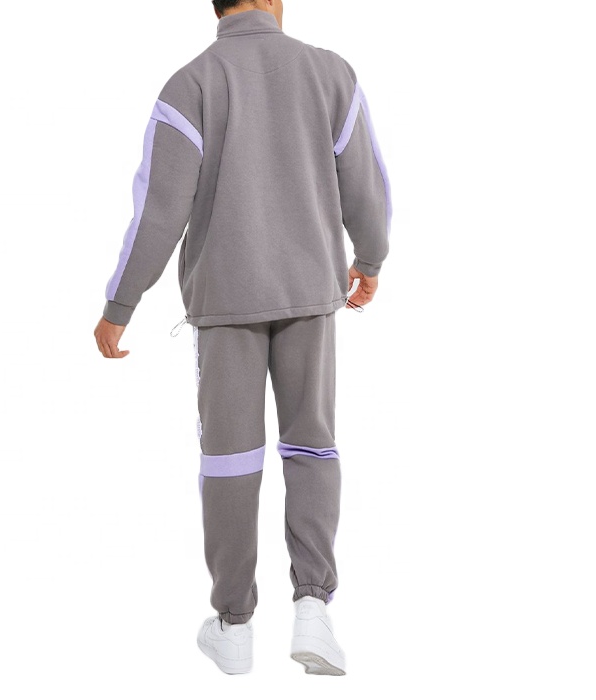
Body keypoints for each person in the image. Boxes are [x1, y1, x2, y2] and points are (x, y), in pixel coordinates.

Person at [93, 0, 391, 676]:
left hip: (225, 302)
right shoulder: (331, 74)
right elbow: (366, 187)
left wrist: (120, 304)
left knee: (229, 459)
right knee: (312, 444)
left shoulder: (190, 84)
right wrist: (369, 260)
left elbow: (159, 211)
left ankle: (233, 625)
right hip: (311, 295)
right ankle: (313, 607)